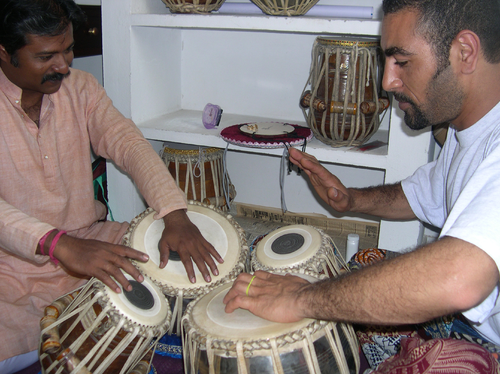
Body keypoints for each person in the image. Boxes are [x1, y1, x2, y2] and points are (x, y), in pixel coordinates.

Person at [225, 0, 500, 369]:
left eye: (401, 61)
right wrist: (350, 200)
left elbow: (460, 278)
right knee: (358, 266)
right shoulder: (467, 128)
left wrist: (302, 299)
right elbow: (425, 193)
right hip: (469, 319)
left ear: (464, 53)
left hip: (487, 342)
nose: (388, 82)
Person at [0, 0, 223, 371]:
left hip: (92, 238)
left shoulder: (81, 88)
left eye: (68, 49)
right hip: (12, 266)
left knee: (198, 273)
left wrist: (174, 213)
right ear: (5, 53)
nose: (64, 65)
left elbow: (129, 144)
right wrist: (59, 244)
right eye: (46, 56)